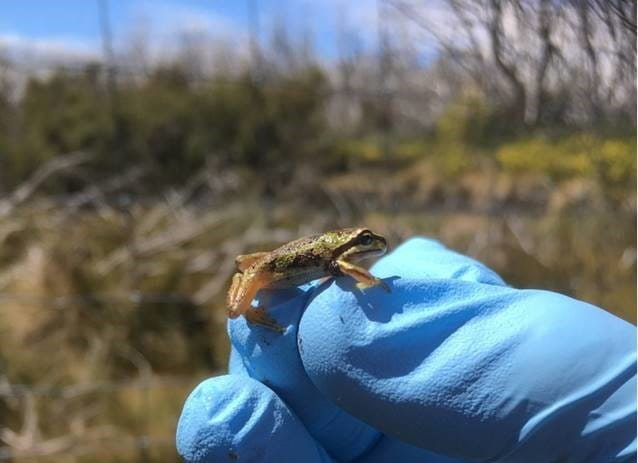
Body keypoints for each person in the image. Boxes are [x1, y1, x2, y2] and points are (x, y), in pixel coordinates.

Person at [176, 238, 636, 462]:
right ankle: (258, 314)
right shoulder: (339, 259)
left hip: (295, 278)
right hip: (271, 273)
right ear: (353, 245)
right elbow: (341, 273)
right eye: (367, 242)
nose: (374, 247)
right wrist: (372, 282)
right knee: (248, 315)